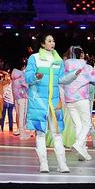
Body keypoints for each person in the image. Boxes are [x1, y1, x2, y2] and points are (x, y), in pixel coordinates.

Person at [25, 33, 78, 173]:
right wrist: (35, 76)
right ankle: (44, 164)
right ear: (43, 44)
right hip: (39, 101)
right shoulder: (34, 58)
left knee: (57, 133)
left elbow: (61, 79)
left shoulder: (58, 60)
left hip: (55, 101)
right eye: (49, 41)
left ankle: (62, 164)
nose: (52, 43)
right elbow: (28, 77)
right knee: (40, 133)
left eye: (53, 40)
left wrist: (73, 75)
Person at [59, 46, 95, 162]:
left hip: (69, 99)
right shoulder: (86, 67)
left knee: (78, 125)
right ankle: (78, 144)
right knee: (87, 124)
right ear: (81, 55)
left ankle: (83, 152)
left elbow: (61, 79)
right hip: (82, 98)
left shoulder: (65, 64)